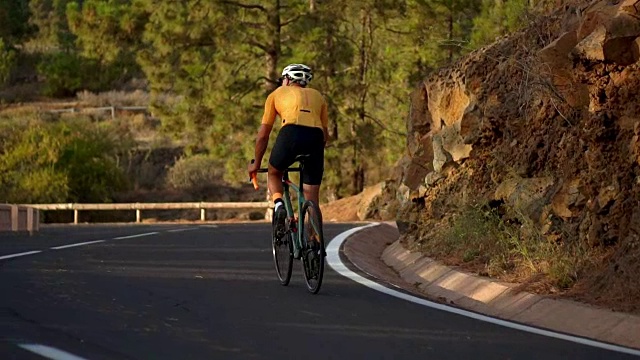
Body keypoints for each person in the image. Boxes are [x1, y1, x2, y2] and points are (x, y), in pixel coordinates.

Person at [247, 63, 329, 234]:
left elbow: (263, 135)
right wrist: (313, 156)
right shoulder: (318, 96)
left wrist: (256, 163)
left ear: (287, 79)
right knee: (312, 197)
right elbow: (325, 134)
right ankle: (315, 245)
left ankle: (279, 205)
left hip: (291, 133)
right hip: (316, 138)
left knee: (274, 172)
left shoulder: (276, 94)